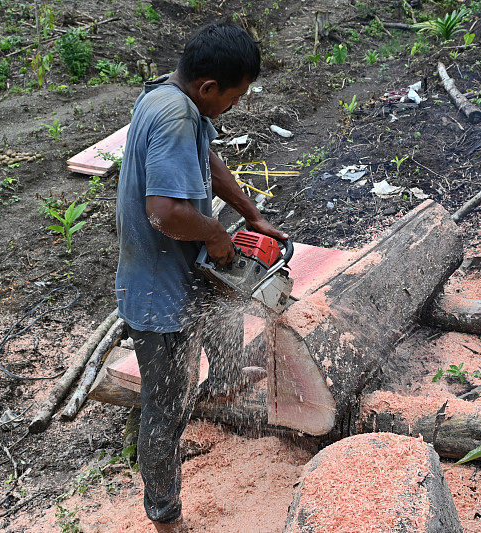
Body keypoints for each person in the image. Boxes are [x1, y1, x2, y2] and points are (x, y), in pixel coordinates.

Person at [115, 21, 286, 533]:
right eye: (233, 98)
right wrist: (215, 235)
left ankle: (226, 385)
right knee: (164, 410)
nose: (234, 107)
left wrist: (249, 214)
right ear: (209, 87)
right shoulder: (172, 118)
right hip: (157, 293)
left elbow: (205, 160)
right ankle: (165, 514)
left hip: (183, 269)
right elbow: (164, 211)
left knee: (226, 303)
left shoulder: (174, 99)